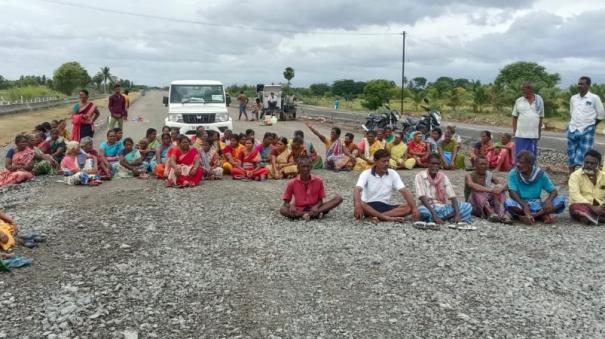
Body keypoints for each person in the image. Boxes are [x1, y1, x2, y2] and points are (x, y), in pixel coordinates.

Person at [353, 149, 420, 222]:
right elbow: (357, 189)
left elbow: (404, 191)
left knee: (409, 207)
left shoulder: (393, 173)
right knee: (361, 203)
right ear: (375, 161)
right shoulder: (366, 173)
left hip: (385, 205)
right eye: (383, 161)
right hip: (368, 206)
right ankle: (387, 217)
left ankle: (378, 217)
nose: (386, 164)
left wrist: (414, 208)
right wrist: (357, 205)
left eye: (388, 161)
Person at [505, 151, 567, 224]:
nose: (518, 165)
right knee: (509, 203)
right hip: (520, 202)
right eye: (518, 162)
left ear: (530, 164)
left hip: (537, 203)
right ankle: (542, 215)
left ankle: (531, 216)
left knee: (561, 200)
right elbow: (512, 192)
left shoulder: (540, 174)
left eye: (521, 163)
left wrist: (548, 201)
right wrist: (524, 205)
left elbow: (553, 191)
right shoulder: (513, 173)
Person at [415, 154, 473, 226]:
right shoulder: (420, 176)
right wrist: (434, 214)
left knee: (467, 206)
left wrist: (457, 214)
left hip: (441, 207)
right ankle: (441, 217)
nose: (435, 166)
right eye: (433, 163)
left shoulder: (443, 177)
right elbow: (422, 197)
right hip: (427, 207)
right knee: (422, 212)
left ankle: (437, 219)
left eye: (437, 164)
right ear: (427, 164)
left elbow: (452, 196)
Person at [567, 76, 605, 172]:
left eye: (582, 84)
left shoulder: (594, 98)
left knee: (585, 156)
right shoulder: (573, 98)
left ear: (588, 85)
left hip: (587, 129)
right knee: (571, 154)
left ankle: (583, 177)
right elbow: (572, 112)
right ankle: (571, 177)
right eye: (579, 83)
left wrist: (591, 125)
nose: (579, 86)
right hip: (573, 129)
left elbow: (601, 114)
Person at [464, 156, 511, 224]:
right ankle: (490, 213)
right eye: (481, 164)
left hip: (487, 202)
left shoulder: (489, 174)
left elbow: (504, 184)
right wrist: (491, 190)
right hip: (474, 205)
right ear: (475, 165)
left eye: (486, 164)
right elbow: (472, 185)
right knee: (476, 192)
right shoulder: (469, 176)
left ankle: (502, 215)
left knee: (500, 191)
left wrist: (500, 188)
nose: (484, 166)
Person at [568, 150, 605, 225]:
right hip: (582, 205)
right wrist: (593, 208)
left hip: (599, 206)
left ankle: (593, 218)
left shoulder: (603, 176)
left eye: (592, 163)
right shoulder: (575, 176)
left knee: (589, 215)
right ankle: (597, 218)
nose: (588, 165)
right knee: (578, 208)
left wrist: (602, 206)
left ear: (598, 164)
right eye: (586, 162)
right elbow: (575, 195)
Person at [512, 81, 544, 160]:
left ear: (531, 89)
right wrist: (515, 131)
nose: (522, 92)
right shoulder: (518, 101)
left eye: (524, 89)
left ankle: (531, 171)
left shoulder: (539, 101)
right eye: (521, 90)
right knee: (519, 156)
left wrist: (539, 132)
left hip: (533, 135)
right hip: (520, 135)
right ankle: (518, 172)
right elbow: (514, 117)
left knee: (531, 157)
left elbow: (541, 117)